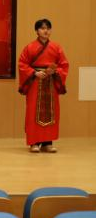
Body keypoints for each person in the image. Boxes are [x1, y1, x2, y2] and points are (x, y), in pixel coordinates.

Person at [18, 19, 69, 153]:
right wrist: (34, 73)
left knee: (51, 111)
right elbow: (22, 64)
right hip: (35, 82)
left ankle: (48, 143)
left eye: (48, 28)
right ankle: (34, 143)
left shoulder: (56, 47)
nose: (46, 31)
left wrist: (55, 71)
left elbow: (64, 64)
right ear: (37, 31)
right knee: (33, 111)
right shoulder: (29, 47)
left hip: (50, 82)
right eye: (42, 28)